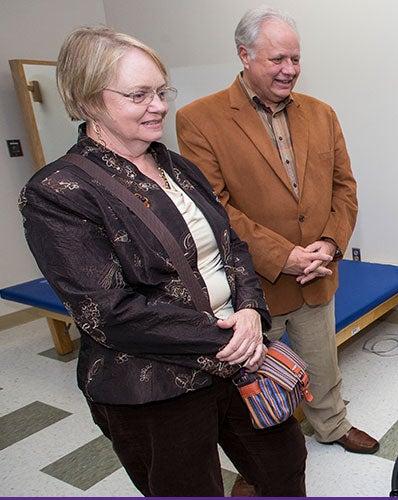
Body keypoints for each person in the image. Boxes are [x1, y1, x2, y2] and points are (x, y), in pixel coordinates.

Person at [19, 26, 306, 497]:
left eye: (160, 90)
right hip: (154, 384)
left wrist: (253, 311)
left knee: (284, 462)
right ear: (90, 101)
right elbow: (107, 312)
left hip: (238, 353)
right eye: (139, 95)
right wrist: (229, 334)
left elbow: (231, 243)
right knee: (187, 487)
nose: (160, 105)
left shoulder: (174, 164)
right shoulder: (59, 192)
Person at [175, 6, 377, 468]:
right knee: (251, 376)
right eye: (277, 60)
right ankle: (257, 461)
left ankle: (333, 423)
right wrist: (282, 255)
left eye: (296, 59)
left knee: (322, 361)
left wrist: (328, 243)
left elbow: (345, 187)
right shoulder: (199, 119)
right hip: (253, 282)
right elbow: (214, 206)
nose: (290, 70)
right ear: (244, 55)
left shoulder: (322, 114)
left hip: (317, 272)